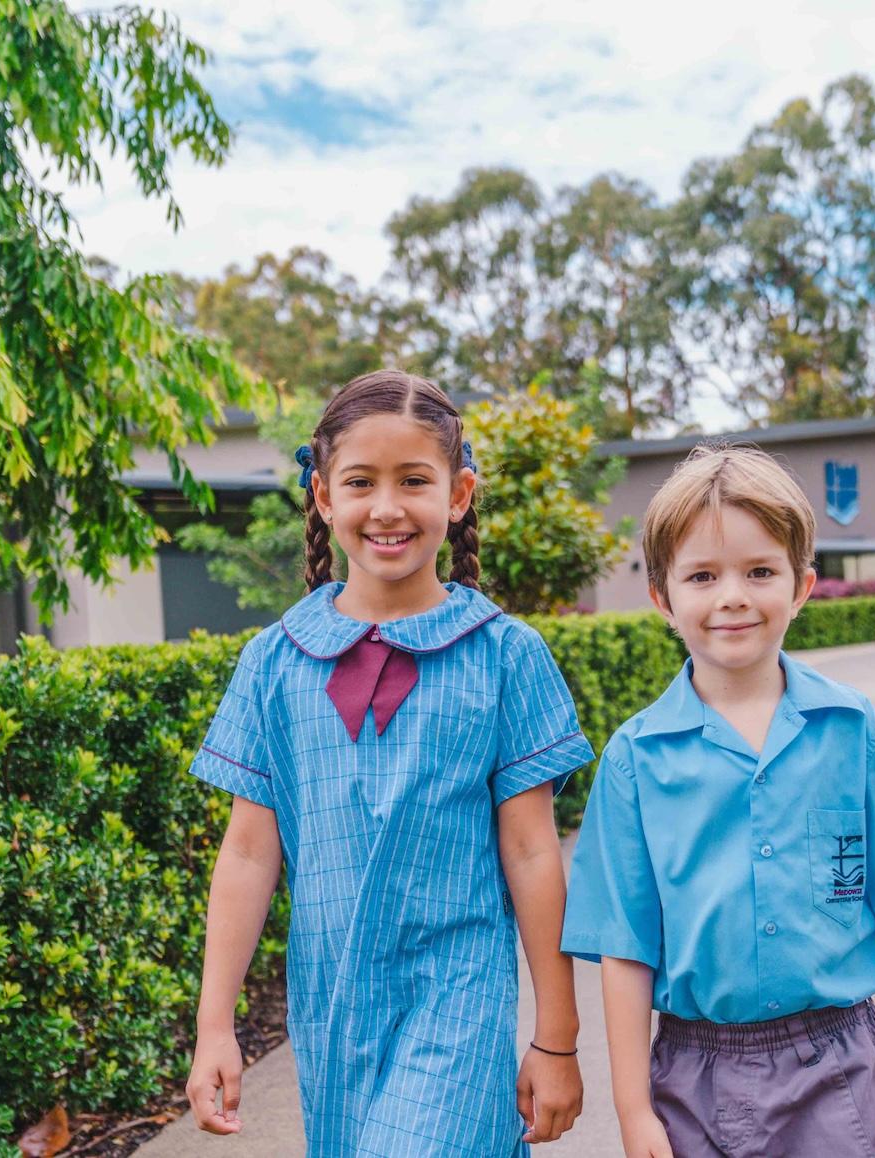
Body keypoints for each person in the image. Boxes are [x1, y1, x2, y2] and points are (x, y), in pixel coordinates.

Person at [184, 371, 588, 1154]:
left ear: (459, 493)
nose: (388, 507)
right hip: (332, 1012)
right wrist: (214, 1027)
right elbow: (247, 852)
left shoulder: (506, 657)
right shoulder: (273, 663)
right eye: (361, 482)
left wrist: (557, 1036)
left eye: (415, 480)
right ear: (326, 499)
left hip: (460, 999)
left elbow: (534, 851)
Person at [562, 445, 875, 1158]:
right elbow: (624, 950)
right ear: (663, 598)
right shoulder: (636, 762)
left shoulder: (855, 734)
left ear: (802, 586)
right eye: (703, 575)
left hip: (839, 1070)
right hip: (692, 1079)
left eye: (760, 571)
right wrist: (632, 1107)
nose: (733, 595)